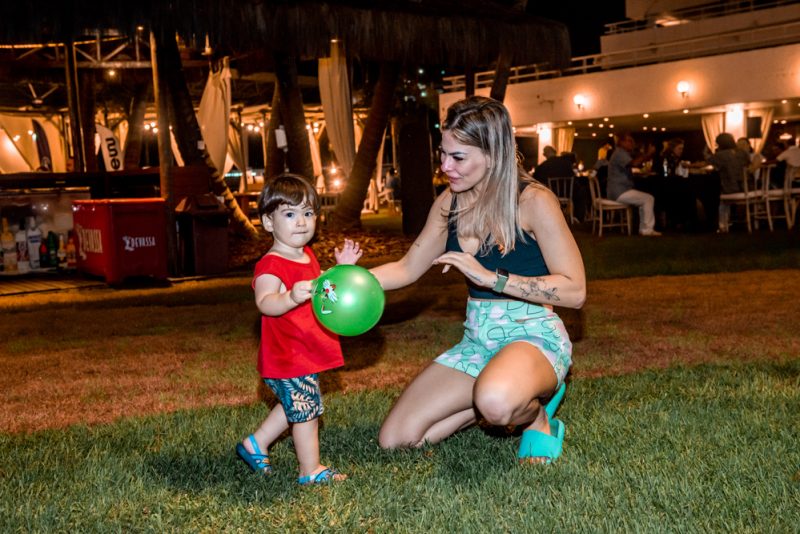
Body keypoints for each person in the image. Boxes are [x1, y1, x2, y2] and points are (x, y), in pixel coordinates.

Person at [371, 96, 586, 464]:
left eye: (458, 157)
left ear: (494, 154)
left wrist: (492, 278)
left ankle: (537, 415)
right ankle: (492, 400)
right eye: (443, 154)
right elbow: (407, 269)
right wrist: (340, 280)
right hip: (479, 340)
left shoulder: (533, 201)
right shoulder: (449, 202)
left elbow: (575, 290)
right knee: (397, 440)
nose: (444, 167)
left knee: (498, 403)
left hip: (532, 335)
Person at [235, 173, 362, 485]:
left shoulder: (306, 254)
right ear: (268, 222)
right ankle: (310, 470)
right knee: (306, 411)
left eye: (308, 213)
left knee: (297, 403)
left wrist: (340, 270)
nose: (302, 222)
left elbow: (318, 290)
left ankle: (256, 444)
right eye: (289, 214)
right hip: (288, 356)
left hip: (305, 351)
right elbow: (265, 302)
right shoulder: (271, 264)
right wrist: (288, 296)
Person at [608, 131, 661, 236]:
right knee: (648, 198)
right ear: (621, 142)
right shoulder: (620, 153)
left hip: (618, 190)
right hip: (619, 191)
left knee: (644, 199)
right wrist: (649, 153)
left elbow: (635, 163)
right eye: (629, 141)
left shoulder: (621, 153)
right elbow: (634, 163)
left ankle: (644, 229)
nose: (632, 144)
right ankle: (647, 229)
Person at [704, 133, 751, 232]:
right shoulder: (743, 153)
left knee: (716, 195)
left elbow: (708, 164)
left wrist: (689, 166)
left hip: (731, 188)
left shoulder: (721, 155)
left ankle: (722, 225)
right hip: (747, 187)